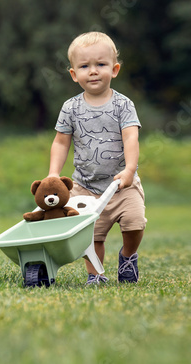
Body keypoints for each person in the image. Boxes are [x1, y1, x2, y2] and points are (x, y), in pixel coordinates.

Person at [48, 32, 147, 285]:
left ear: (114, 70)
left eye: (100, 64)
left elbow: (130, 139)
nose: (93, 71)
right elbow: (61, 142)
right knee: (92, 236)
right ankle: (96, 275)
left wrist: (130, 170)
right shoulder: (70, 108)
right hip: (85, 187)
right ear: (74, 74)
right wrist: (53, 174)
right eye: (85, 66)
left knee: (135, 223)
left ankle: (128, 256)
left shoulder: (123, 105)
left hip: (122, 184)